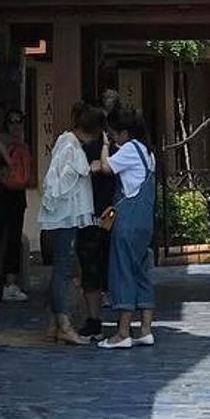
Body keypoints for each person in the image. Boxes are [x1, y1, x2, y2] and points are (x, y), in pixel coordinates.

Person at [38, 102, 104, 345]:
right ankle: (63, 323)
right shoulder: (69, 144)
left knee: (64, 268)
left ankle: (56, 323)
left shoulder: (68, 142)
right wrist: (86, 169)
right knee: (63, 270)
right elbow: (60, 180)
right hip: (64, 216)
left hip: (68, 216)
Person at [96, 110, 157, 349]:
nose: (112, 138)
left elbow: (106, 167)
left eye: (113, 134)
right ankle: (145, 329)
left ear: (123, 133)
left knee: (122, 272)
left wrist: (104, 146)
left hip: (128, 222)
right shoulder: (148, 153)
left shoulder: (130, 149)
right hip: (144, 223)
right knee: (141, 272)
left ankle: (122, 332)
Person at [76, 100, 119, 338]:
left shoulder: (85, 149)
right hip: (107, 213)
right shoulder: (115, 148)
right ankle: (119, 321)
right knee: (104, 266)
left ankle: (94, 320)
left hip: (92, 215)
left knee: (91, 268)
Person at [0, 107, 33, 303]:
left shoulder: (23, 143)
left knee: (14, 237)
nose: (16, 126)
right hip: (1, 193)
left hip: (17, 194)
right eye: (11, 121)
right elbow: (9, 162)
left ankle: (9, 284)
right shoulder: (0, 141)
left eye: (19, 121)